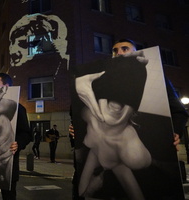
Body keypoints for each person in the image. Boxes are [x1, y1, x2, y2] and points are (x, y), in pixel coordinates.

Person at [70, 39, 188, 199]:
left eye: (125, 49)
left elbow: (179, 112)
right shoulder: (97, 90)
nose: (119, 53)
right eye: (115, 50)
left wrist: (175, 133)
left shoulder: (158, 82)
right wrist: (74, 131)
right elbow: (79, 115)